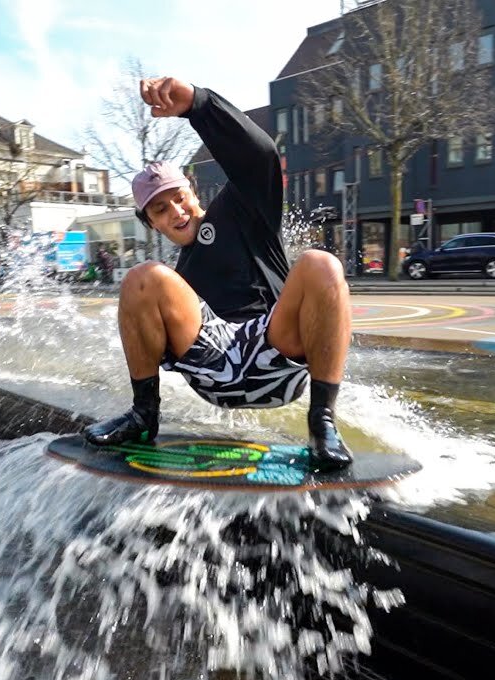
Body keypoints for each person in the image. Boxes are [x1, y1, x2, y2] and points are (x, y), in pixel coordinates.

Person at [82, 76, 353, 469]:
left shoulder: (243, 210)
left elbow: (260, 156)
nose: (176, 211)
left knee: (321, 263)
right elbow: (149, 336)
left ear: (193, 192)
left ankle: (322, 421)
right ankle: (143, 416)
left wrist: (198, 104)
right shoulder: (173, 281)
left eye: (179, 198)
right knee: (143, 275)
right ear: (151, 224)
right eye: (160, 210)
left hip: (276, 352)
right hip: (215, 371)